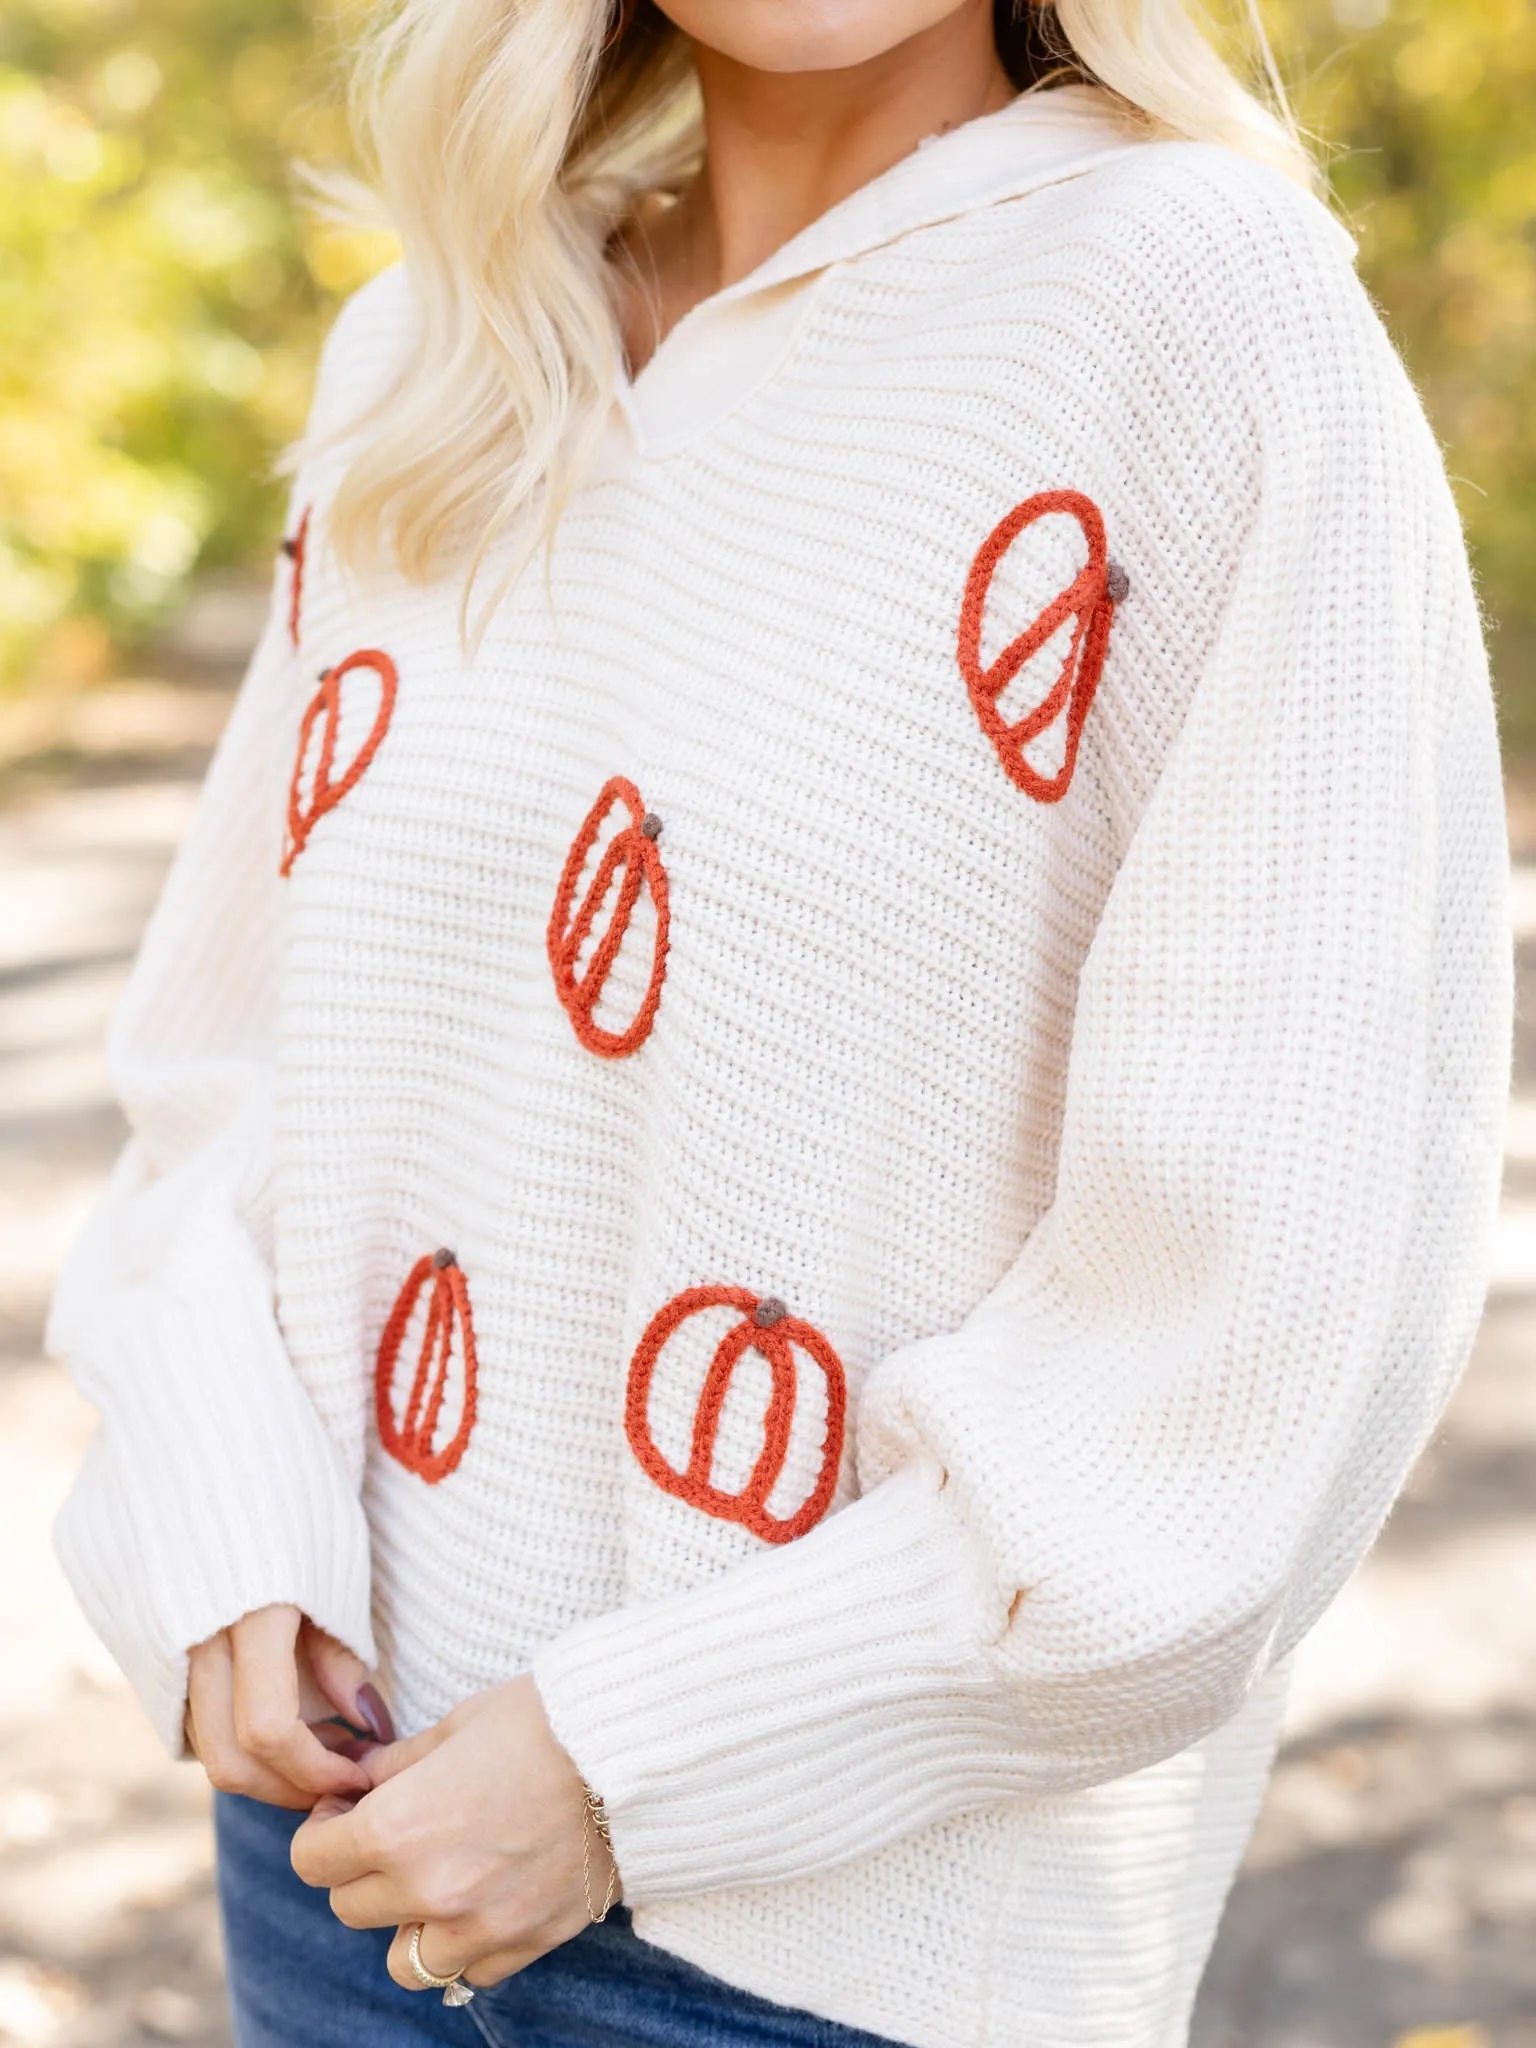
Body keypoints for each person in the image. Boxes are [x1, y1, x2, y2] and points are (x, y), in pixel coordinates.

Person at [48, 0, 1512, 2043]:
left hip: (834, 1968)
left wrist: (619, 1757)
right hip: (334, 1856)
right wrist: (225, 1517)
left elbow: (1277, 1279)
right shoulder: (431, 339)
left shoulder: (1200, 307)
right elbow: (233, 1060)